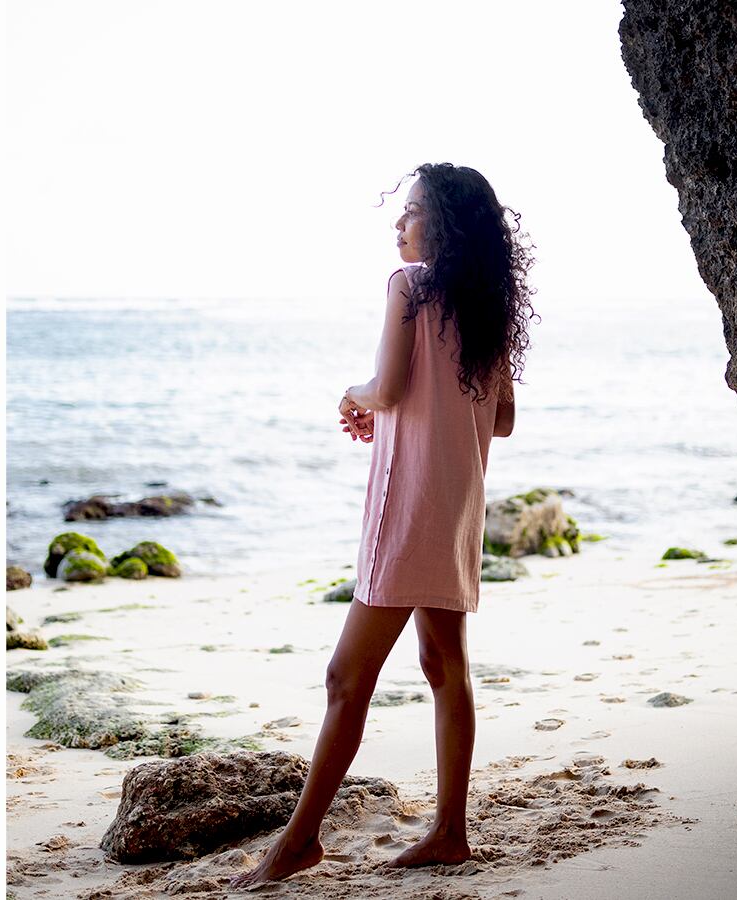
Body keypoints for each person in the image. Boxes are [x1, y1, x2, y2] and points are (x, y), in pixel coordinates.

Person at [230, 162, 537, 888]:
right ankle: (450, 832)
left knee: (346, 677)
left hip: (408, 509)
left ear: (445, 224)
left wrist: (354, 395)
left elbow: (390, 387)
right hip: (457, 506)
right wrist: (408, 411)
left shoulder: (409, 286)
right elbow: (501, 419)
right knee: (445, 666)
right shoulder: (486, 305)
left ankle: (299, 842)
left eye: (412, 211)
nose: (399, 224)